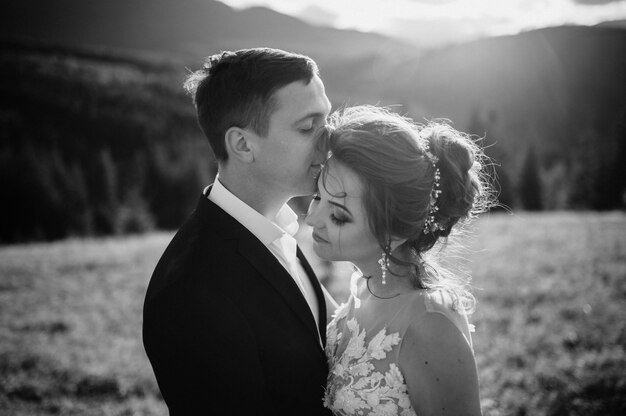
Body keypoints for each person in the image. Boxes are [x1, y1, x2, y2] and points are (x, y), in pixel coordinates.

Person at [143, 48, 335, 415]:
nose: (329, 140)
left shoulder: (276, 230)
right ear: (243, 144)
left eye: (327, 120)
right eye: (308, 127)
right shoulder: (190, 293)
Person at [306, 105, 494, 416]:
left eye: (338, 216)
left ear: (393, 234)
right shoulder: (363, 287)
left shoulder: (430, 327)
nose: (312, 219)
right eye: (317, 197)